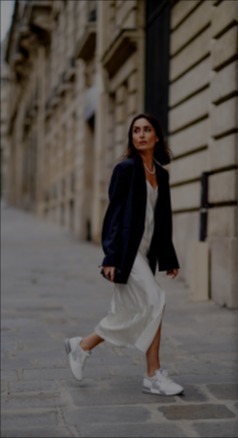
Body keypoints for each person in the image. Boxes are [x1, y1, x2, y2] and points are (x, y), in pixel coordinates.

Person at [64, 113, 183, 396]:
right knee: (156, 300)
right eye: (136, 131)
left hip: (147, 251)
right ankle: (152, 374)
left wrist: (169, 258)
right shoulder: (126, 169)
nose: (141, 135)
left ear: (156, 136)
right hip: (128, 254)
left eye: (146, 130)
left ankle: (82, 346)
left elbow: (163, 219)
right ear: (132, 138)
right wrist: (111, 258)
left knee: (132, 311)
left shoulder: (161, 174)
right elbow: (114, 215)